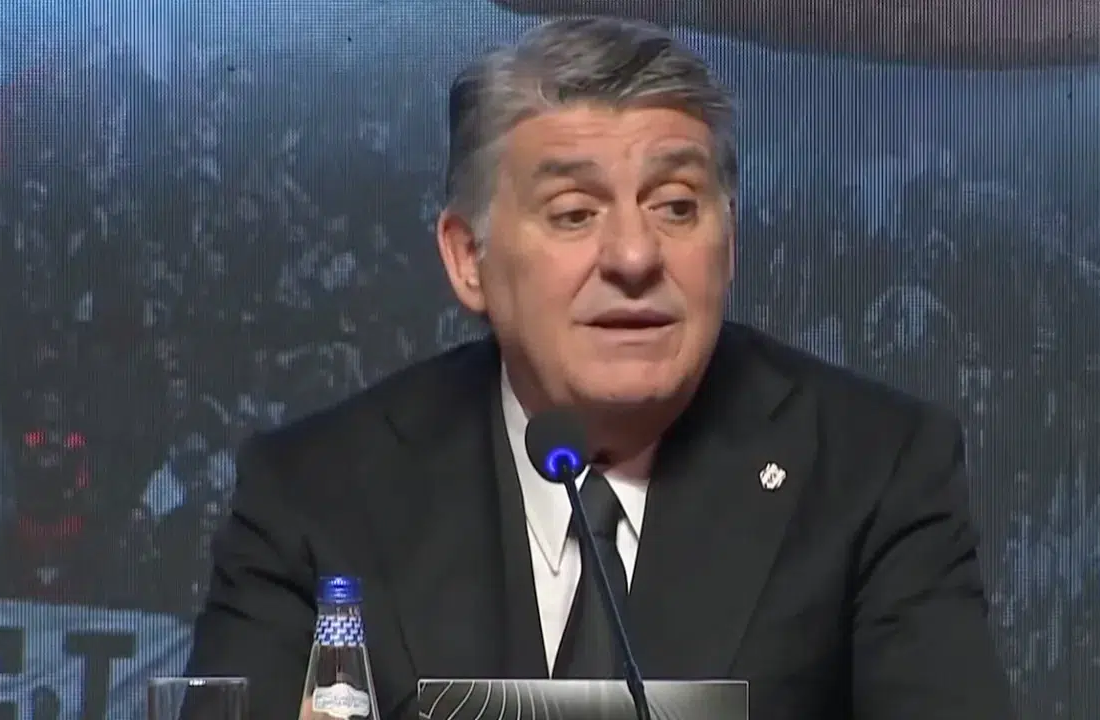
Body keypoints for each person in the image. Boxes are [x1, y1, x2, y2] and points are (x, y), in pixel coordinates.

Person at [185, 16, 1016, 720]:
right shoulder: (317, 494)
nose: (633, 256)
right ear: (469, 258)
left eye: (677, 206)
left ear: (728, 245)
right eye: (575, 213)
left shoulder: (874, 473)